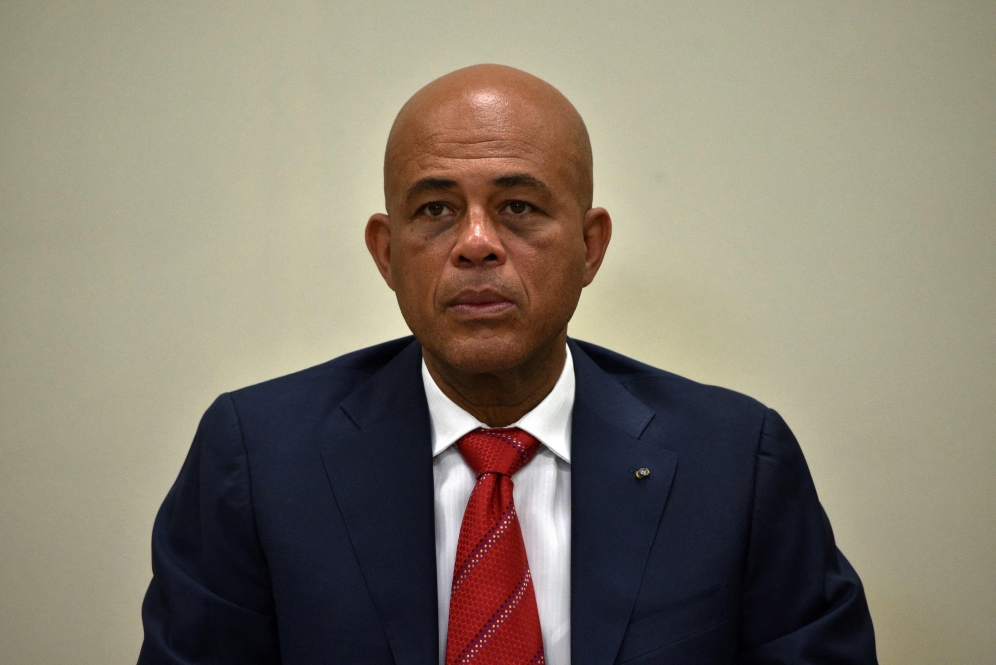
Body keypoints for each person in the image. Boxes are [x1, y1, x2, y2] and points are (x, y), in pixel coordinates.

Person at [137, 64, 877, 665]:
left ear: (590, 247)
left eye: (519, 206)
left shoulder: (735, 461)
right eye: (435, 210)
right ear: (387, 254)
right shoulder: (258, 459)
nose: (477, 243)